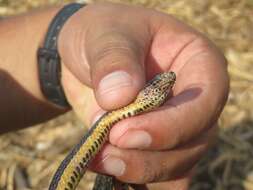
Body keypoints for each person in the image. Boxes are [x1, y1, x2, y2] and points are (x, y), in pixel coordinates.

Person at [0, 2, 229, 190]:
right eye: (159, 87)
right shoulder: (117, 117)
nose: (165, 83)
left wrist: (59, 43)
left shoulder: (120, 115)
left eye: (162, 89)